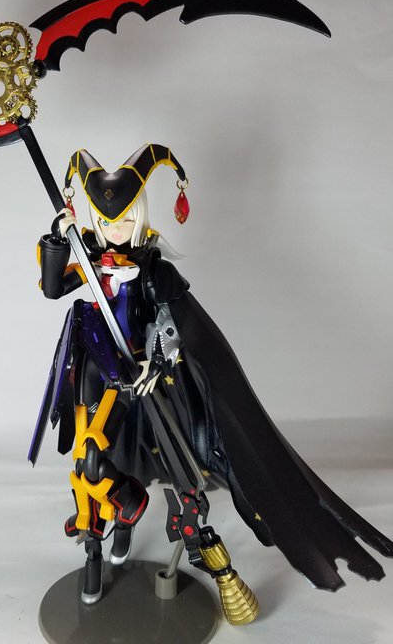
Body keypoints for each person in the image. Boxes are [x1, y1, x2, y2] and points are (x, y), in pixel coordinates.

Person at [30, 143, 393, 618]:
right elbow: (53, 288)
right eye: (104, 220)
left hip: (144, 378)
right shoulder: (88, 259)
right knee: (90, 461)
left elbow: (173, 324)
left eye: (124, 219)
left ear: (139, 216)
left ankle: (134, 518)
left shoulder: (154, 269)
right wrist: (57, 241)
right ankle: (101, 543)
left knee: (160, 465)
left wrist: (155, 362)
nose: (114, 229)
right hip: (99, 371)